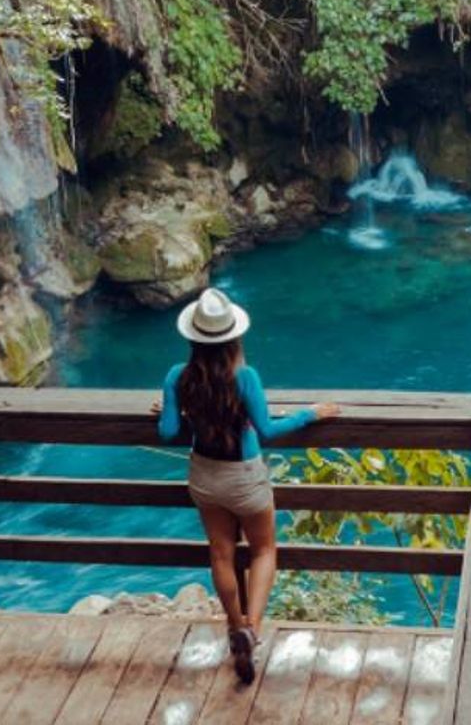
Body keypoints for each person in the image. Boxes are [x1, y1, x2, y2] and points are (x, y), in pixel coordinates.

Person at [155, 287, 340, 683]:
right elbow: (269, 429)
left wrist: (178, 410)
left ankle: (233, 623)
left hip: (204, 476)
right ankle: (251, 631)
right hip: (244, 478)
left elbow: (169, 430)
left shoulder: (178, 377)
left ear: (193, 337)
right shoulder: (245, 377)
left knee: (221, 554)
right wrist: (312, 413)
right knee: (263, 550)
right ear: (234, 336)